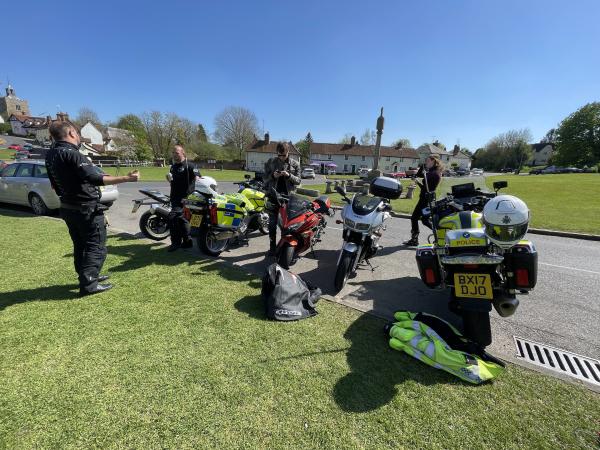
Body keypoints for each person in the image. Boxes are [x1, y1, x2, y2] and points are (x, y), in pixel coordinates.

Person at [45, 121, 140, 296]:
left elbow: (54, 184)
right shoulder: (73, 154)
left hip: (67, 206)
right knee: (96, 245)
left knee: (80, 245)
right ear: (72, 133)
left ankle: (87, 275)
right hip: (85, 208)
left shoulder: (51, 154)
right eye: (78, 133)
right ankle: (89, 284)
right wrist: (126, 178)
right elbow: (94, 177)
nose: (79, 137)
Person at [263, 142, 301, 255]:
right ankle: (272, 248)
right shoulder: (270, 162)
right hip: (273, 196)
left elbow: (298, 181)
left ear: (288, 152)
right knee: (272, 224)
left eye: (283, 155)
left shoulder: (295, 164)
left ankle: (285, 247)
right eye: (279, 155)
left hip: (288, 199)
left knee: (287, 226)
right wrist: (272, 176)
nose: (281, 158)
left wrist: (288, 175)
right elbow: (264, 178)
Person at [403, 155, 444, 246]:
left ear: (433, 161)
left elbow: (427, 188)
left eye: (427, 161)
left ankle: (415, 240)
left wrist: (422, 177)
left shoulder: (434, 173)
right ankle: (439, 234)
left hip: (425, 200)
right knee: (425, 220)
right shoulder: (433, 172)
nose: (426, 163)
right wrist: (417, 181)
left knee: (414, 218)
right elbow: (425, 187)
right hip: (427, 198)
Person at [166, 144, 200, 252]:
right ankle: (187, 241)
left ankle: (176, 243)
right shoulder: (173, 166)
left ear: (182, 153)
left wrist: (191, 195)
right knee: (182, 219)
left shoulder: (190, 165)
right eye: (173, 153)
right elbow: (173, 182)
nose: (174, 155)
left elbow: (198, 179)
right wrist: (168, 179)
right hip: (175, 196)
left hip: (186, 197)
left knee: (173, 217)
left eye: (177, 153)